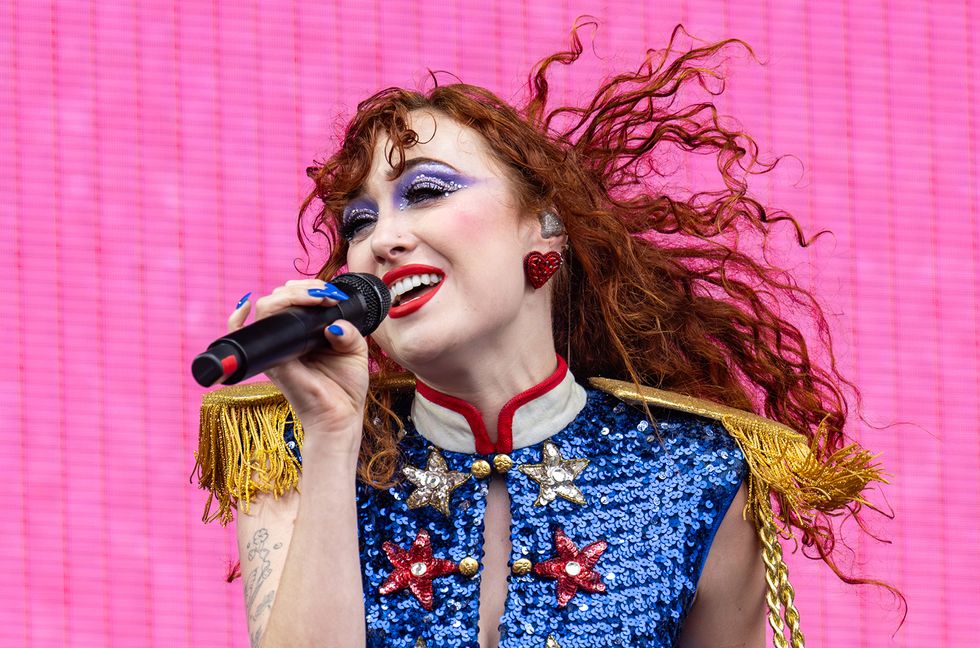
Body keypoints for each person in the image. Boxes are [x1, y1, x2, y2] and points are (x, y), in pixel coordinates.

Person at [194, 25, 884, 648]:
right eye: (359, 222)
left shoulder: (700, 471)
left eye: (427, 192)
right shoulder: (289, 450)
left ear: (544, 228)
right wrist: (333, 432)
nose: (385, 238)